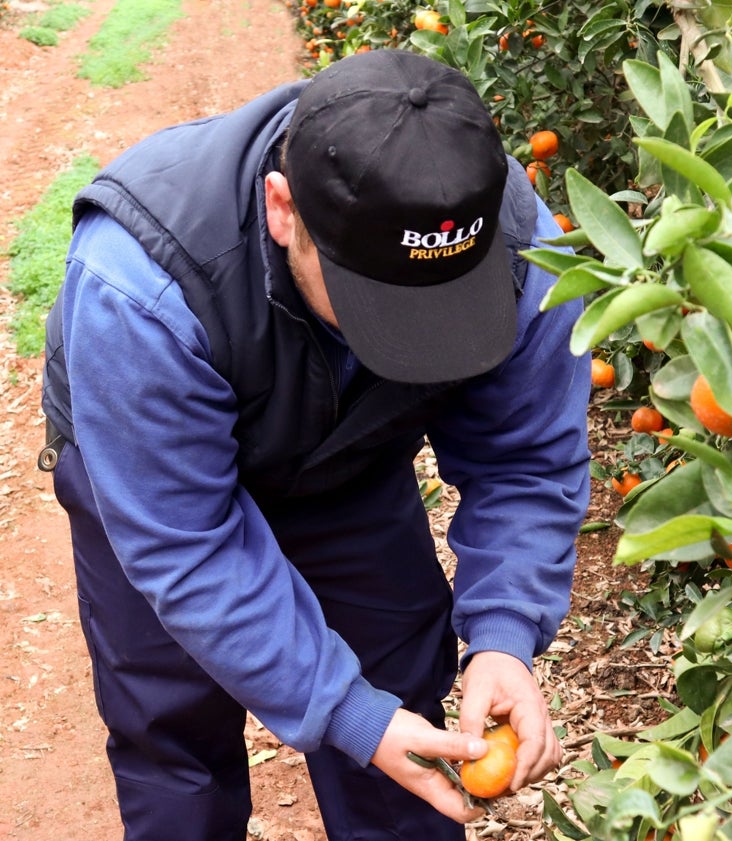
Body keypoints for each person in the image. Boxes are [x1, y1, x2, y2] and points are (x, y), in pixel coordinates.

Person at [39, 48, 591, 840]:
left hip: (348, 461)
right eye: (379, 304)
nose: (411, 332)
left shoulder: (516, 247)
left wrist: (505, 633)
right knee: (174, 736)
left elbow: (526, 456)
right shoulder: (143, 283)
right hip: (153, 475)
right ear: (282, 208)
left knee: (403, 716)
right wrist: (343, 711)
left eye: (443, 306)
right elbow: (185, 544)